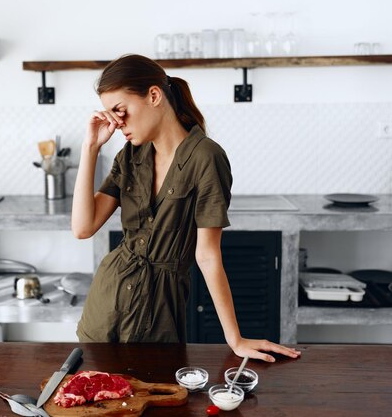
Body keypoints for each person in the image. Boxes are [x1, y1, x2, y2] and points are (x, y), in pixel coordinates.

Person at [71, 54, 300, 362]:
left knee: (155, 399)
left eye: (120, 111)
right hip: (104, 305)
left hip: (158, 314)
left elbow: (207, 254)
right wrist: (90, 147)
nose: (116, 123)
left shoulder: (205, 157)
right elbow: (83, 228)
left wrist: (235, 339)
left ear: (154, 95)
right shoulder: (129, 156)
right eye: (111, 114)